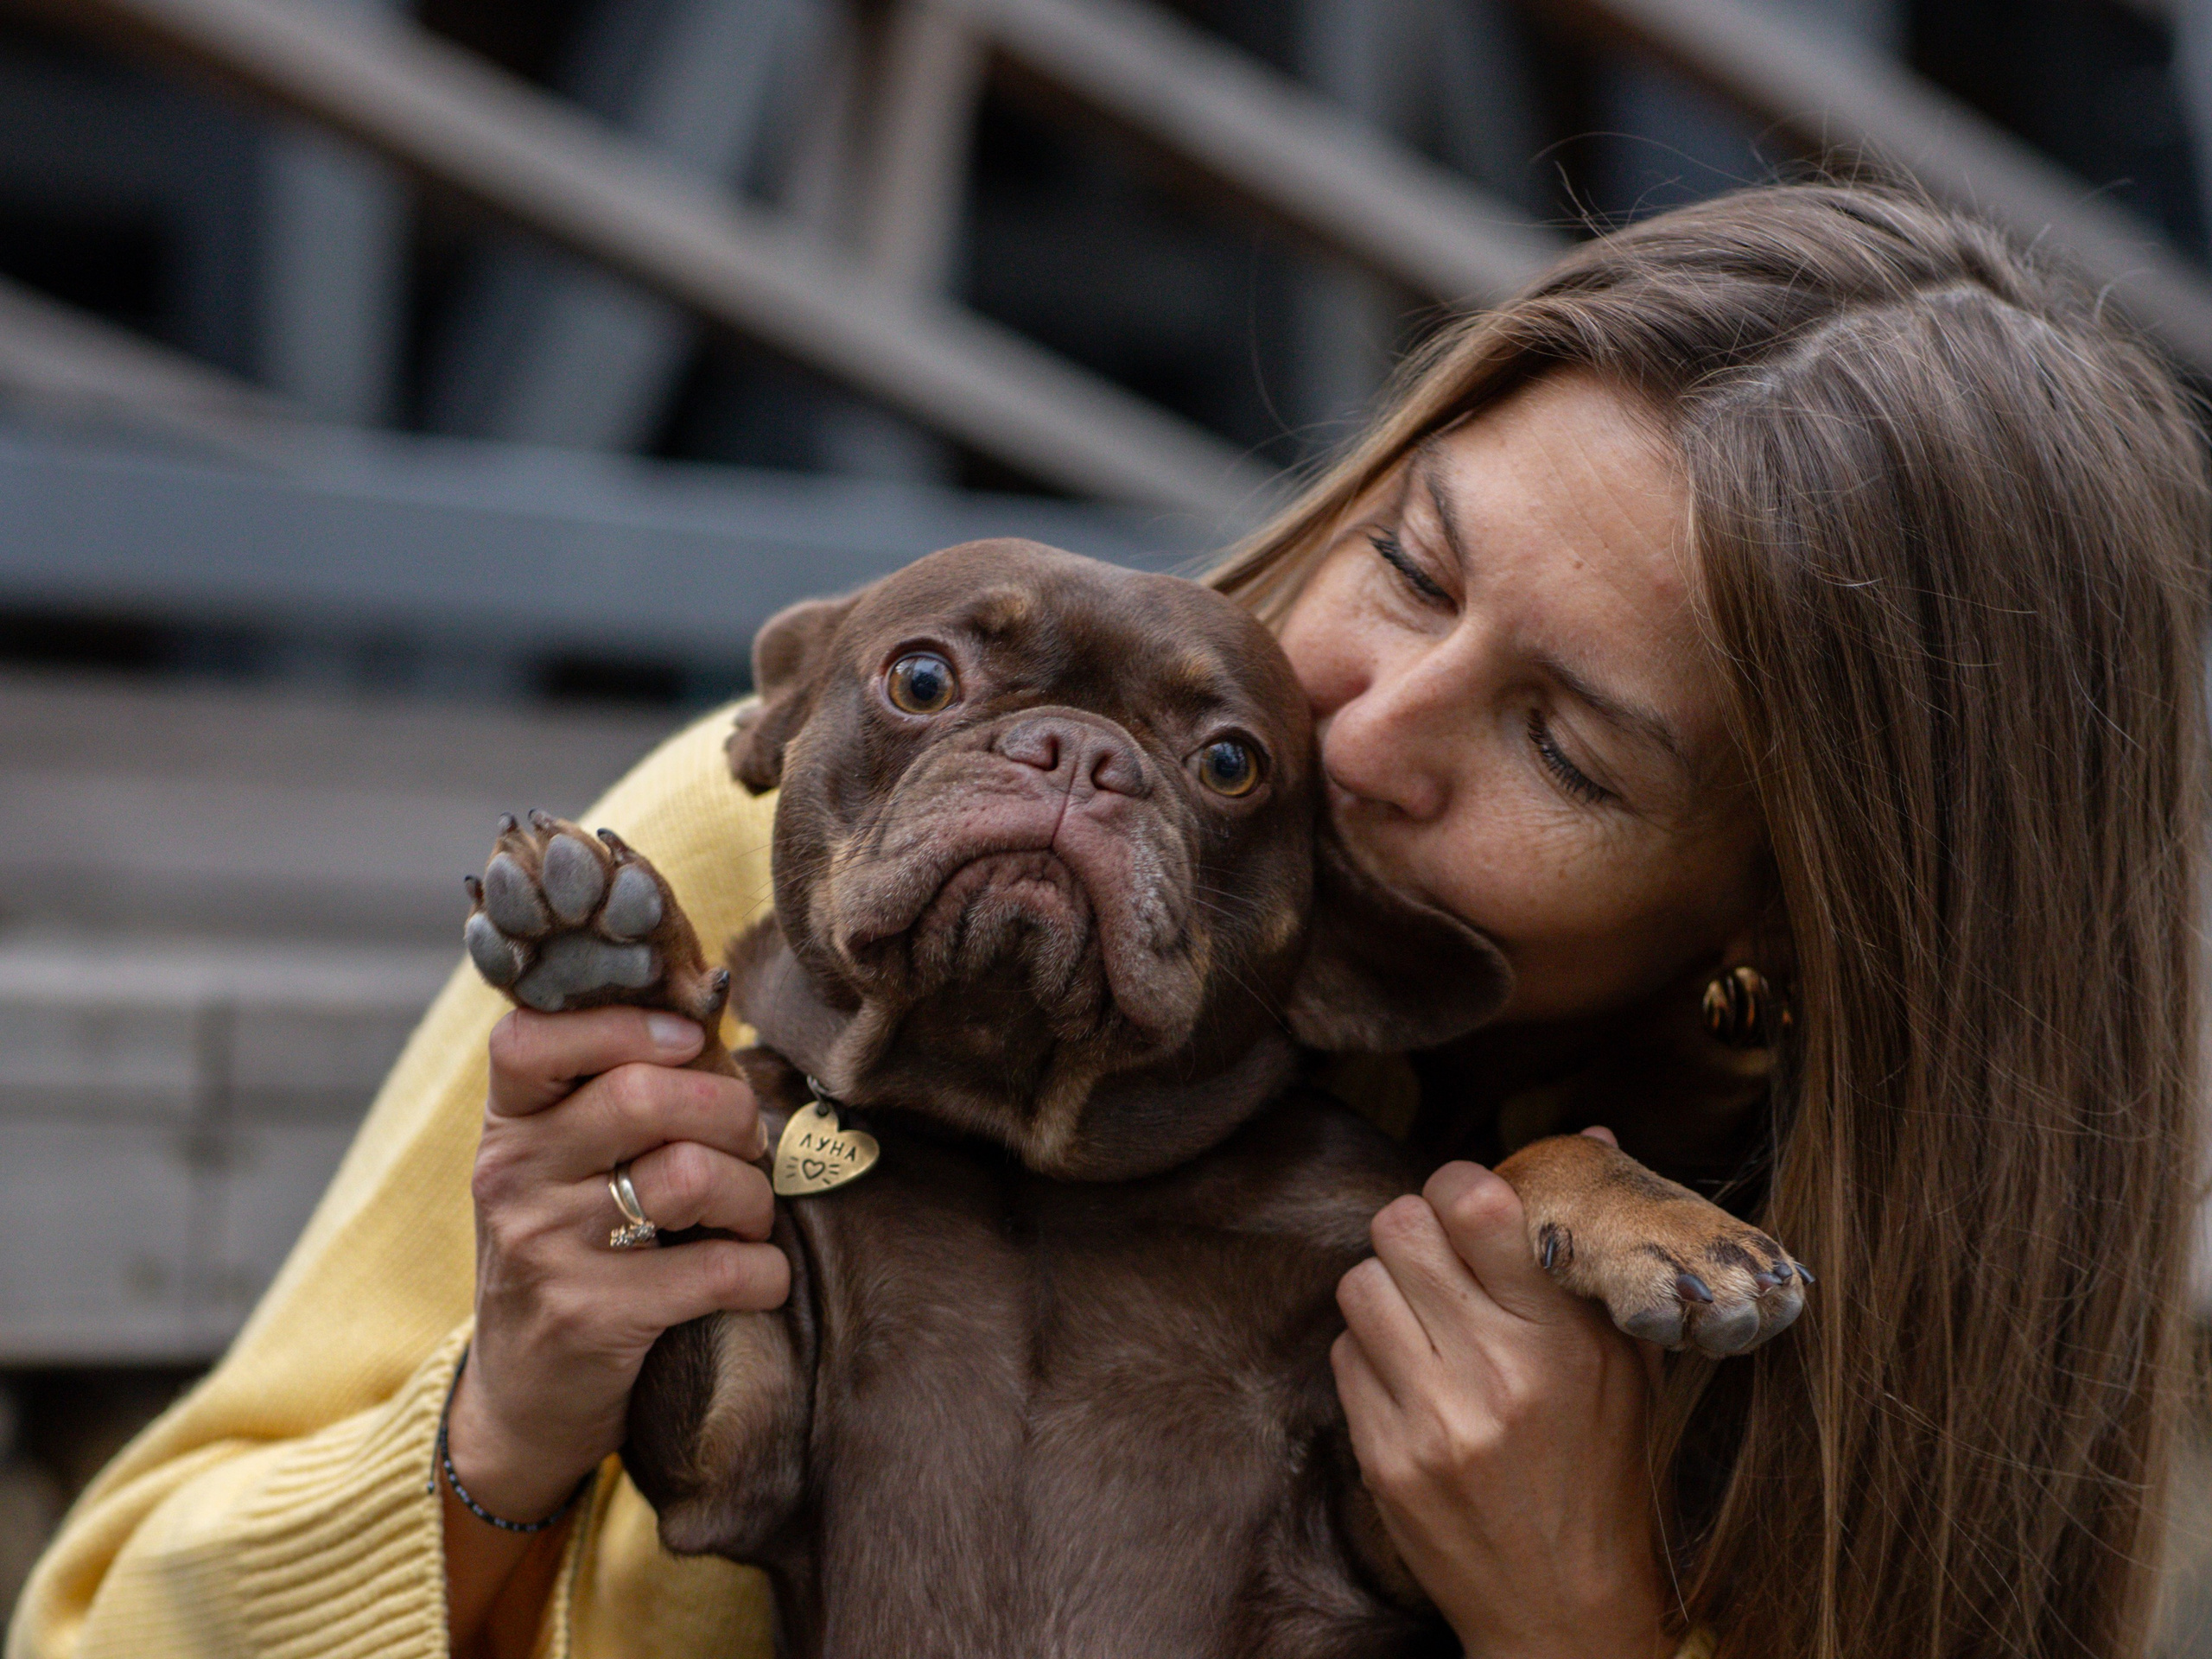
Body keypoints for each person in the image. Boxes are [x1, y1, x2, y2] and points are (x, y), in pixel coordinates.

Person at [10, 181, 2203, 1659]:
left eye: (1567, 748)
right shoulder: (772, 879)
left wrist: (1582, 1624)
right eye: (1414, 568)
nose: (1364, 720)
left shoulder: (1816, 1300)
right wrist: (497, 1441)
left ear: (1777, 940)